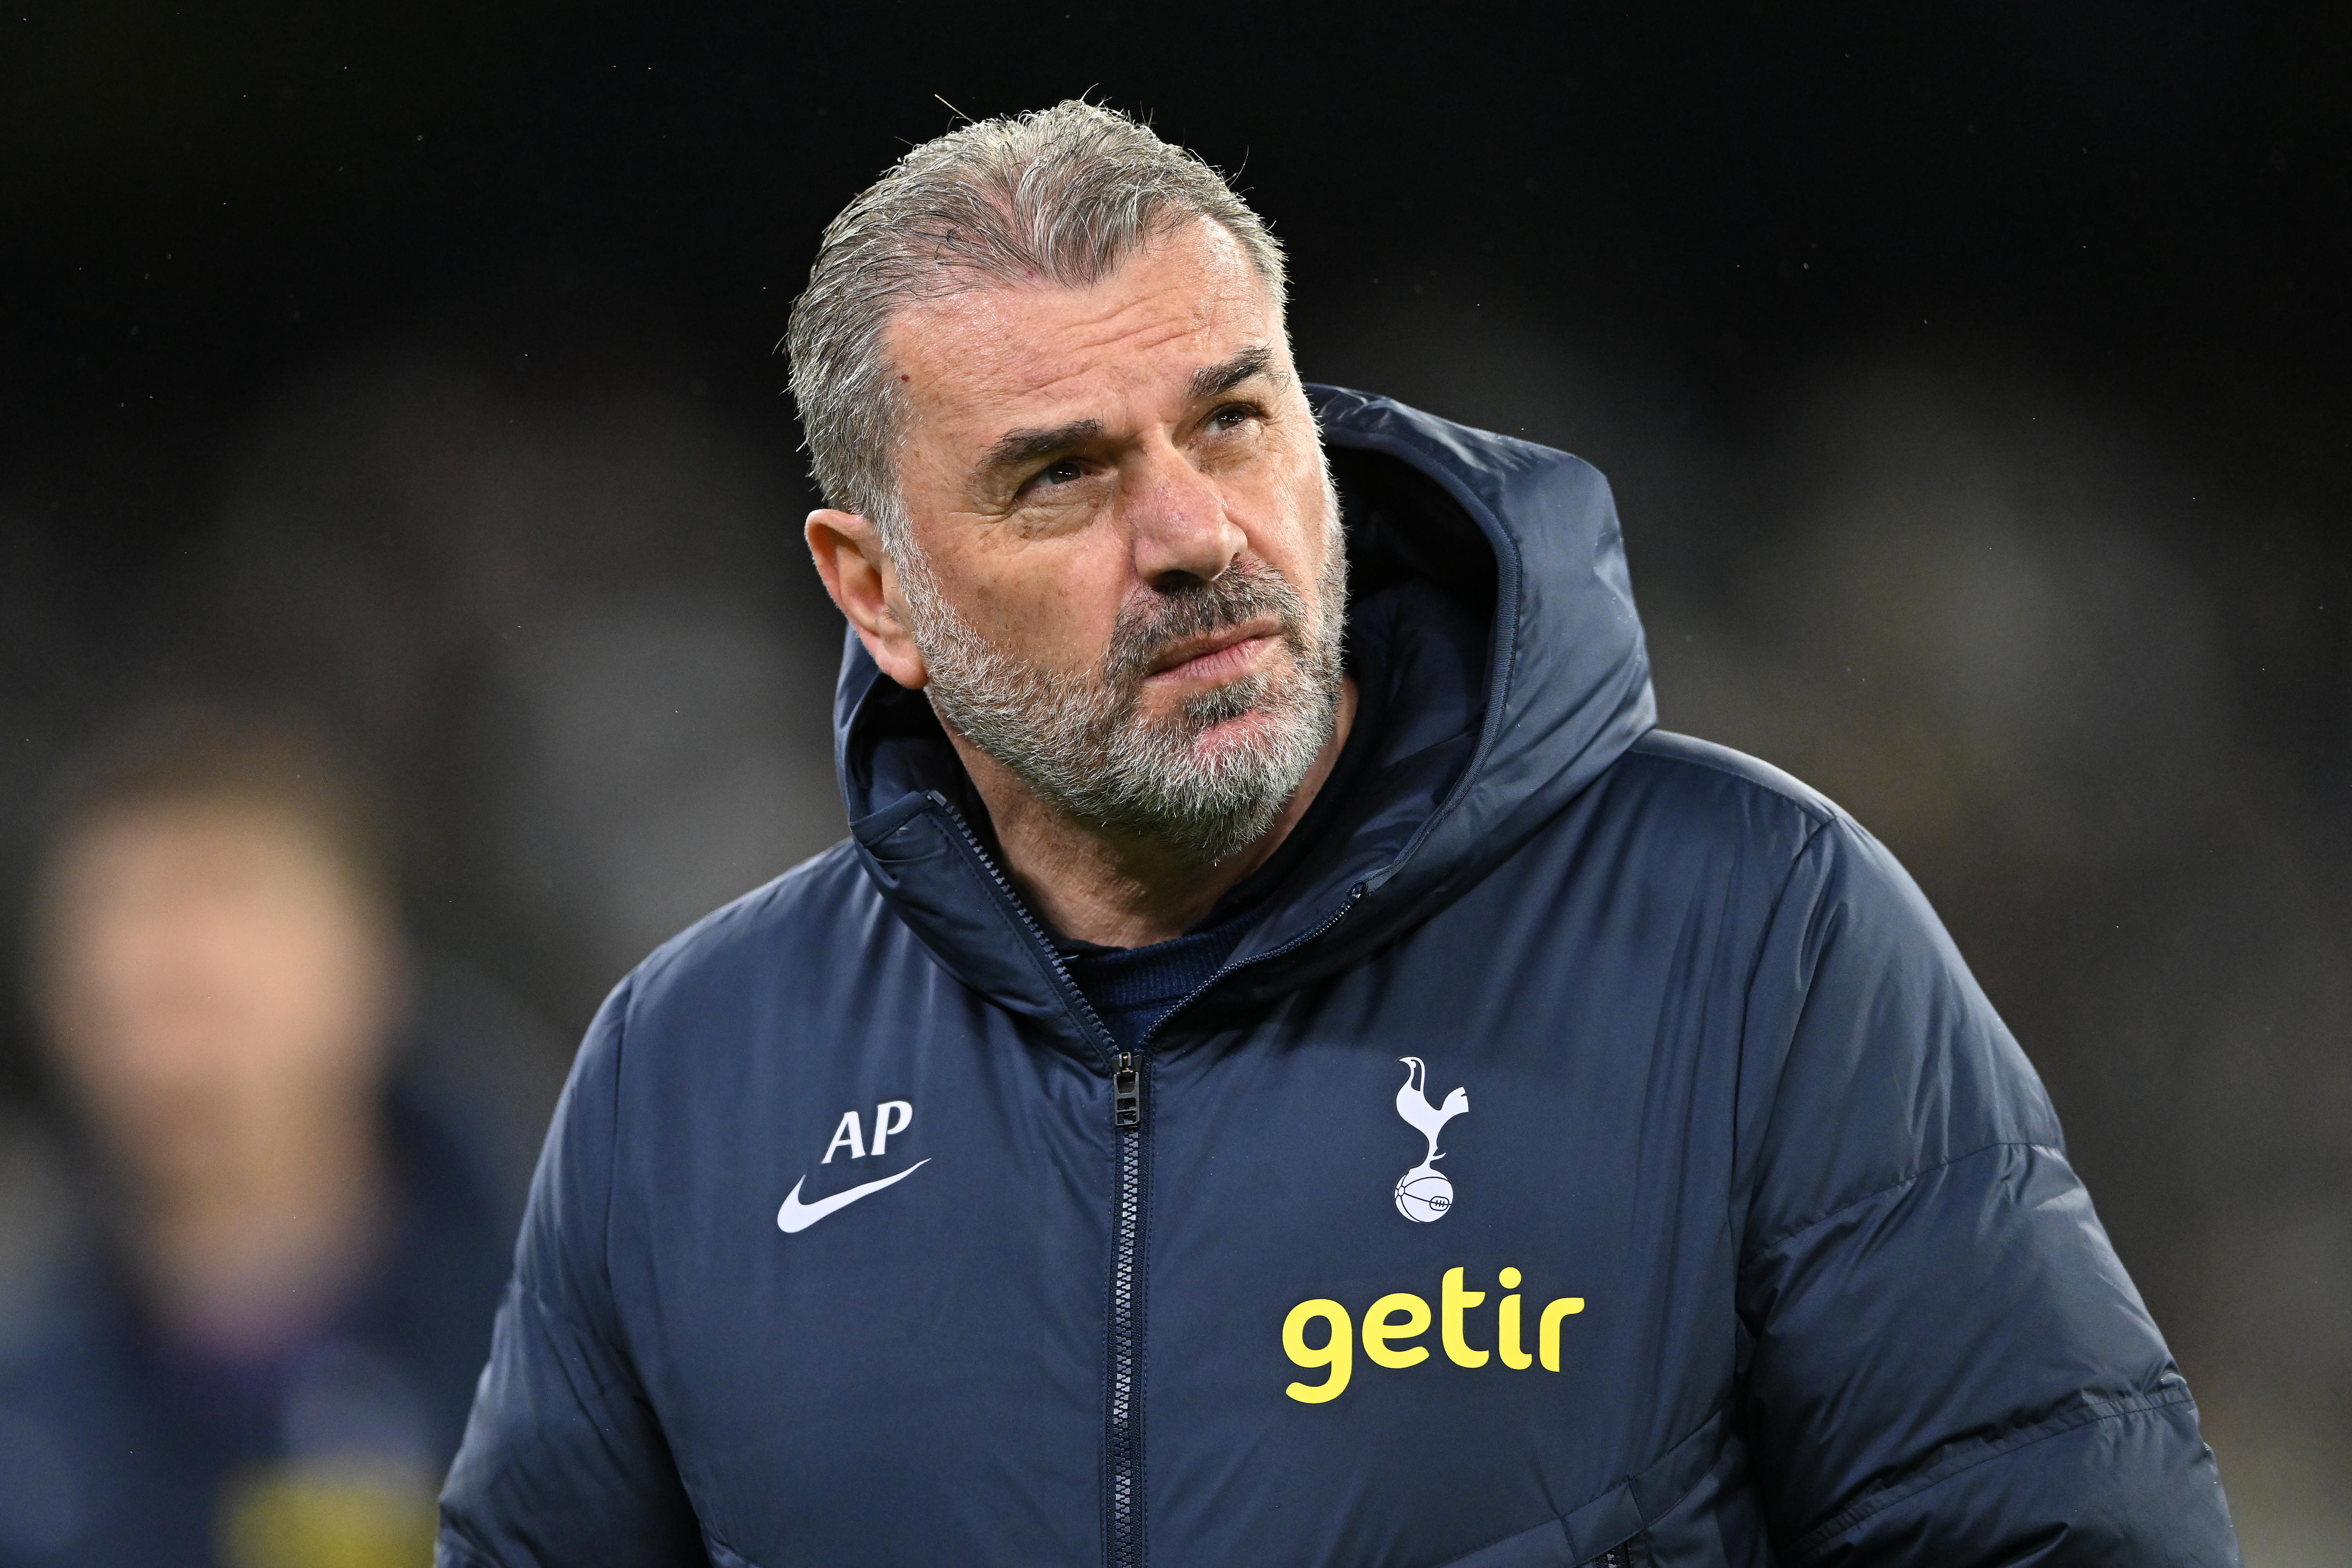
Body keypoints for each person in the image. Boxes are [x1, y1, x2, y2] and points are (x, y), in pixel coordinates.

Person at [439, 102, 2241, 1565]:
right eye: (1061, 473)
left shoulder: (1757, 930)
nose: (1195, 531)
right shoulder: (689, 1076)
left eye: (1232, 419)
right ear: (875, 590)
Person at [0, 714, 525, 1568]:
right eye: (116, 924)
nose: (165, 959)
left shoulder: (593, 1345)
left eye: (222, 897)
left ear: (374, 968)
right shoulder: (27, 1418)